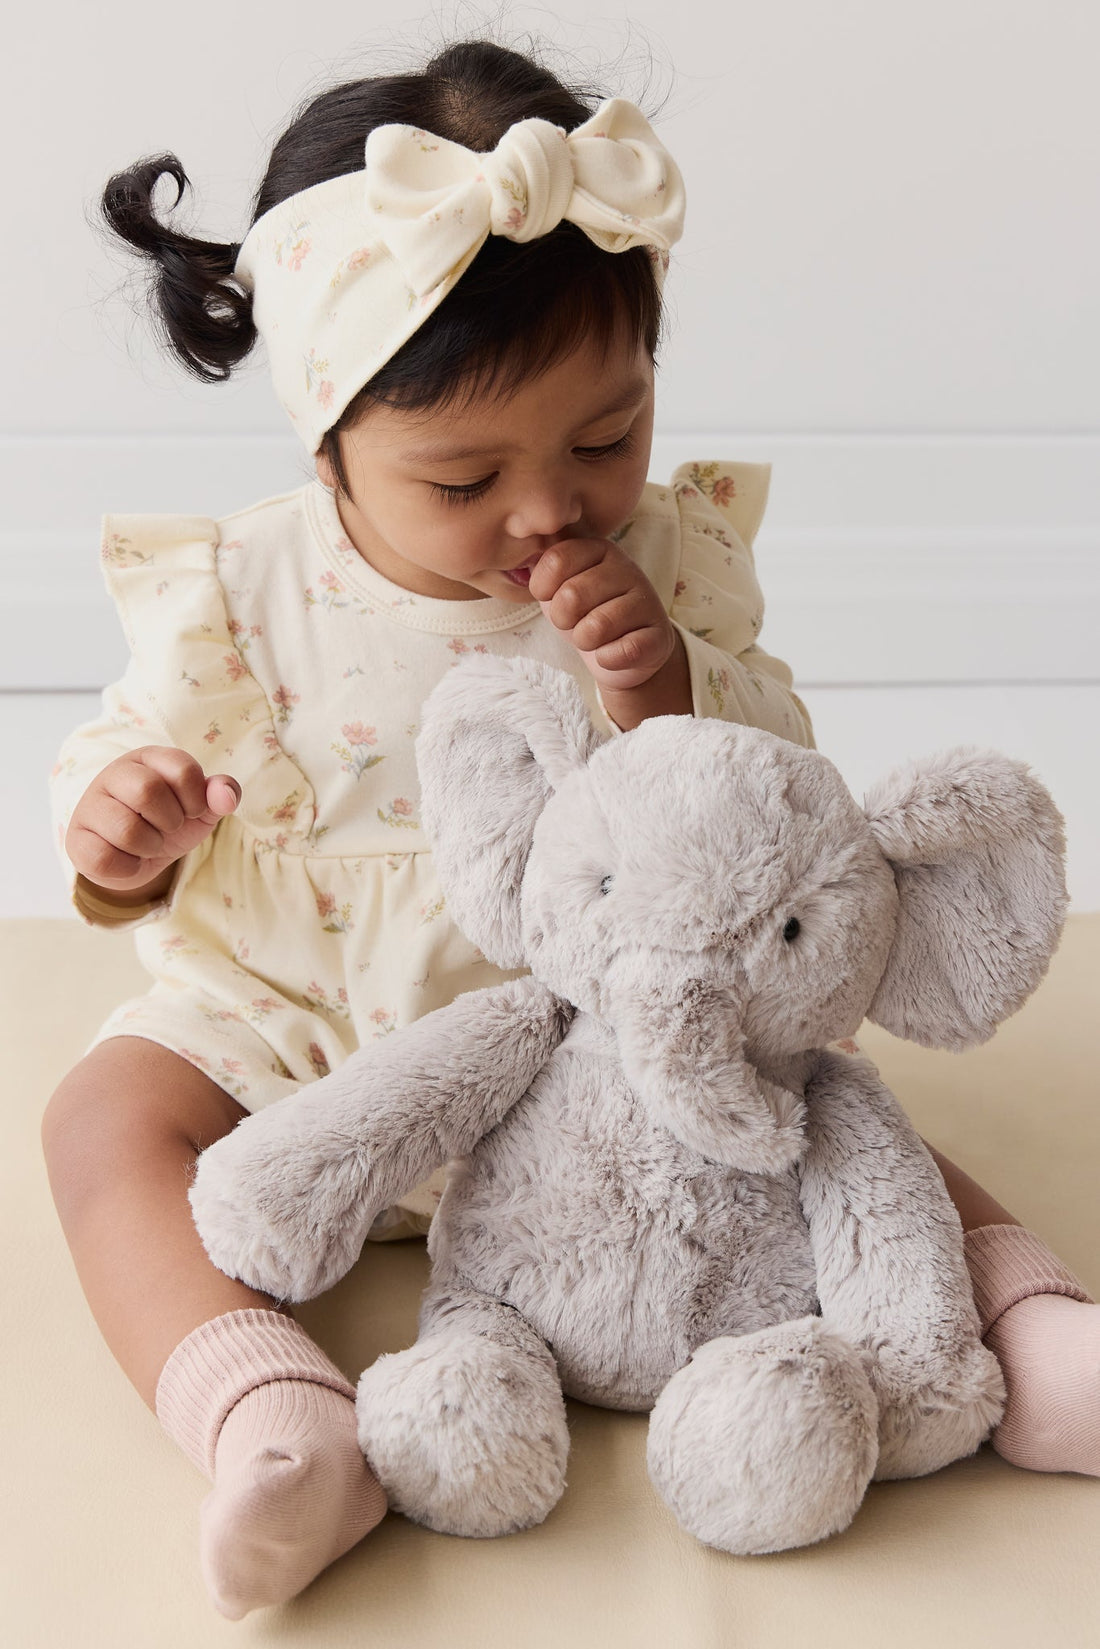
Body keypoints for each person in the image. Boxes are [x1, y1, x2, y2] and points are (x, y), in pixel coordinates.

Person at [41, 35, 1097, 1622]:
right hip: (306, 1015)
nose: (554, 510)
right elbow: (122, 759)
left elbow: (785, 819)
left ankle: (1027, 1331)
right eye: (465, 473)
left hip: (612, 1043)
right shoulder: (242, 591)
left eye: (605, 439)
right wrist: (123, 831)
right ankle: (272, 1418)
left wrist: (661, 681)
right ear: (326, 436)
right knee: (100, 1122)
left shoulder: (671, 565)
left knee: (833, 1113)